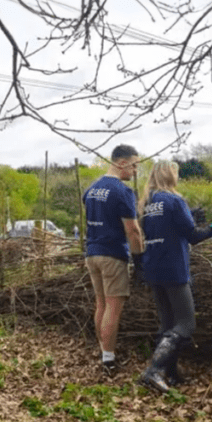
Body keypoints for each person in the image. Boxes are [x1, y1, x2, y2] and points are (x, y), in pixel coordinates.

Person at [136, 160, 212, 393]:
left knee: (168, 323)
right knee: (186, 324)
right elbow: (192, 236)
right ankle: (153, 371)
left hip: (153, 268)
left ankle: (170, 372)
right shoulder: (174, 200)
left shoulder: (145, 204)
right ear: (171, 176)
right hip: (173, 268)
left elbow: (166, 230)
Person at [83, 144, 145, 372]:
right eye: (135, 165)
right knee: (113, 307)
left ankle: (103, 349)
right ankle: (108, 359)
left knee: (100, 303)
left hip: (92, 253)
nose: (136, 171)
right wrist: (139, 260)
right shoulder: (122, 191)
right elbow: (133, 230)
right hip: (112, 254)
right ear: (122, 163)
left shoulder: (91, 190)